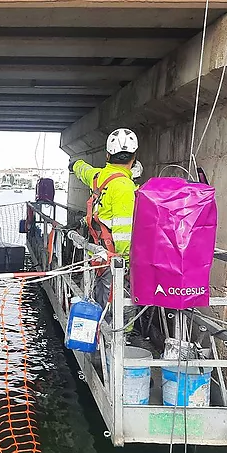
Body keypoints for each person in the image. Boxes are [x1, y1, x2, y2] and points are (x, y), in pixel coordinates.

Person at [68, 128, 141, 317]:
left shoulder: (99, 177)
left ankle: (99, 334)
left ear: (107, 155)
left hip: (99, 251)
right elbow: (124, 233)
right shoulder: (124, 187)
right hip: (114, 257)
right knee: (120, 308)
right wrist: (125, 265)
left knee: (101, 298)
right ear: (134, 157)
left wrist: (75, 164)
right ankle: (121, 339)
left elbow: (84, 171)